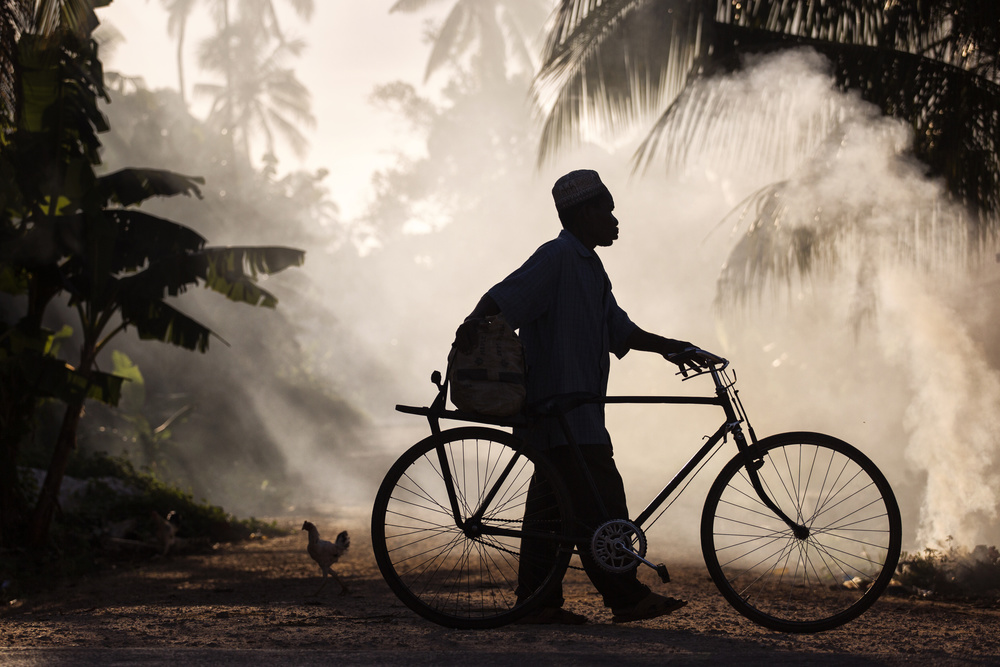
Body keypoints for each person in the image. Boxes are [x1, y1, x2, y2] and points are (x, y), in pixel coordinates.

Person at [454, 169, 714, 625]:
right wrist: (471, 330)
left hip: (575, 413)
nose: (615, 220)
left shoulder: (591, 268)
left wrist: (673, 347)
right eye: (606, 211)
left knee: (553, 509)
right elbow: (501, 299)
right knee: (601, 500)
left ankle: (537, 602)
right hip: (561, 410)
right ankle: (626, 596)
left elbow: (621, 330)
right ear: (583, 213)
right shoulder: (556, 257)